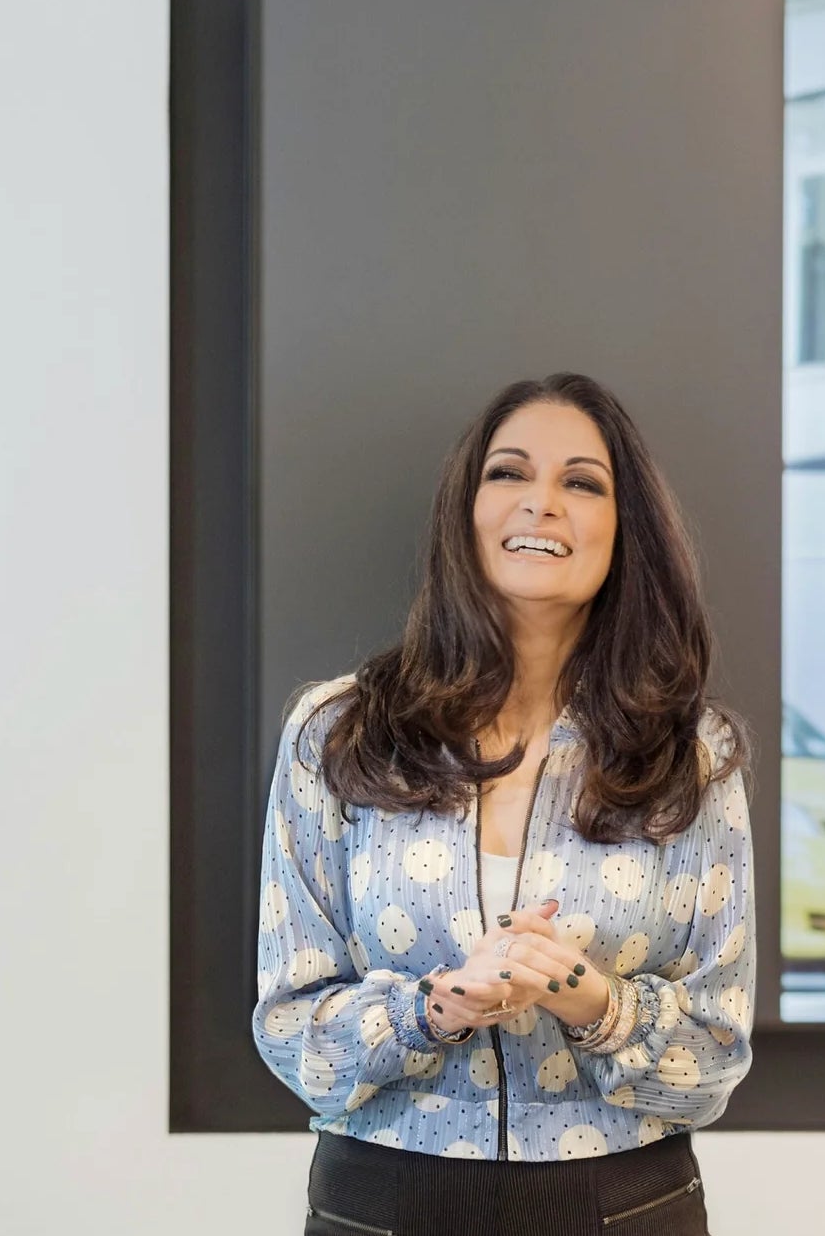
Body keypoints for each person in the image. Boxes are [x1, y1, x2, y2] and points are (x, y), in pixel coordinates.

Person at [252, 373, 752, 1235]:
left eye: (582, 483)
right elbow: (293, 1030)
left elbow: (712, 1061)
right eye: (509, 473)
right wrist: (435, 1006)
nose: (542, 505)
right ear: (466, 510)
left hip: (623, 1205)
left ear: (622, 528)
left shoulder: (691, 754)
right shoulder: (337, 731)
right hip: (384, 1204)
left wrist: (585, 994)